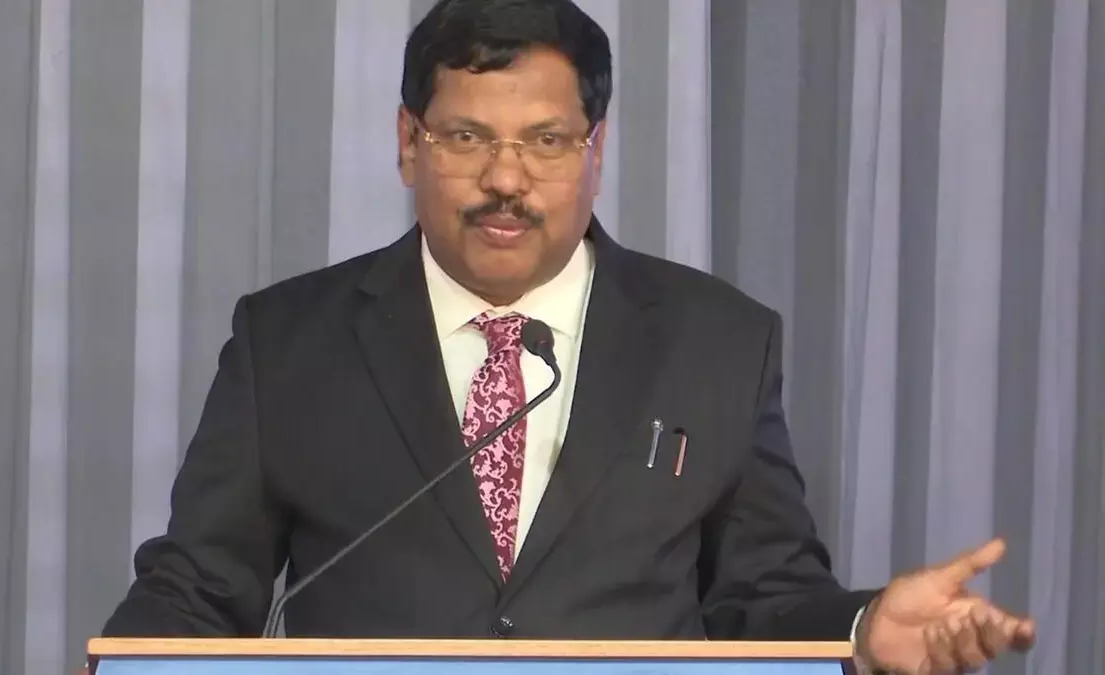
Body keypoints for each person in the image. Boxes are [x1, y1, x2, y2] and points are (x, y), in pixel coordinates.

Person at [97, 1, 1035, 673]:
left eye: (546, 141)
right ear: (408, 143)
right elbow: (198, 588)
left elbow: (764, 597)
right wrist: (126, 660)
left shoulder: (716, 341)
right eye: (467, 138)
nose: (506, 179)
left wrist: (862, 631)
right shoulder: (287, 342)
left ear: (595, 150)